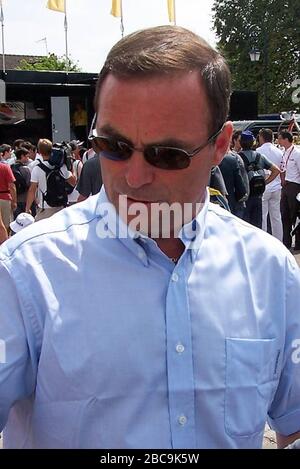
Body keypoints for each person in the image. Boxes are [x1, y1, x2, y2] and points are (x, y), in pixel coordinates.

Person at [0, 26, 299, 450]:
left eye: (168, 155)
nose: (135, 177)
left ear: (221, 146)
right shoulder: (26, 275)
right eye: (115, 146)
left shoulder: (270, 271)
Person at [257, 128, 283, 241]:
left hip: (264, 187)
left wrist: (265, 182)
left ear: (261, 137)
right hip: (277, 186)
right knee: (276, 217)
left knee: (262, 217)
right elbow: (282, 169)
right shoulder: (279, 151)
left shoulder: (258, 151)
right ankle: (279, 241)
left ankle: (264, 242)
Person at [278, 130, 300, 252]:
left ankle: (298, 243)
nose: (278, 141)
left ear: (286, 139)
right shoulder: (284, 152)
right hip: (285, 186)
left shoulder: (297, 153)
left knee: (295, 215)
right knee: (285, 214)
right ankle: (286, 242)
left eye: (280, 138)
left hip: (295, 186)